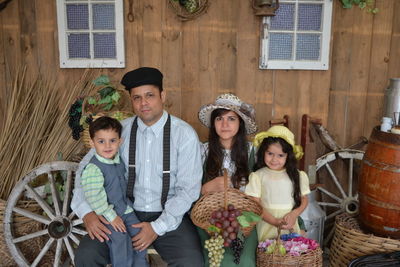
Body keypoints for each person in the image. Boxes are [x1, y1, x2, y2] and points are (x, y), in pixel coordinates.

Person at [71, 67, 204, 267]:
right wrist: (87, 213)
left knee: (191, 262)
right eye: (137, 98)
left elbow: (188, 190)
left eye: (149, 95)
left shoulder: (183, 135)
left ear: (163, 95)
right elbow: (86, 170)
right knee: (87, 256)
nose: (143, 103)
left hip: (169, 216)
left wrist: (157, 227)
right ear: (132, 101)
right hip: (121, 213)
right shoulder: (118, 131)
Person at [196, 93, 258, 267]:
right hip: (210, 218)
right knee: (217, 260)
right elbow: (186, 188)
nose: (225, 124)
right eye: (219, 119)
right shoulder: (203, 151)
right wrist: (205, 188)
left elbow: (267, 185)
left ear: (240, 123)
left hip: (245, 218)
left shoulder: (252, 151)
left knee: (245, 261)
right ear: (213, 123)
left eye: (231, 119)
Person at [81, 116, 147, 267]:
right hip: (107, 213)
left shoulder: (117, 160)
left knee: (139, 235)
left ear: (120, 141)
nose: (107, 146)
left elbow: (120, 188)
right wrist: (112, 217)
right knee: (120, 238)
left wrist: (127, 208)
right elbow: (94, 197)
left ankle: (140, 264)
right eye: (101, 141)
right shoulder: (93, 169)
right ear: (92, 143)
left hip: (125, 208)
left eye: (112, 140)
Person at [245, 125, 310, 241]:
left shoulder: (297, 175)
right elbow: (255, 204)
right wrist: (274, 221)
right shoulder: (257, 176)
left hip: (289, 223)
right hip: (267, 223)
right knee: (268, 254)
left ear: (288, 156)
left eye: (280, 155)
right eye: (270, 154)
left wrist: (294, 214)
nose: (274, 159)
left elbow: (304, 199)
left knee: (290, 252)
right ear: (263, 152)